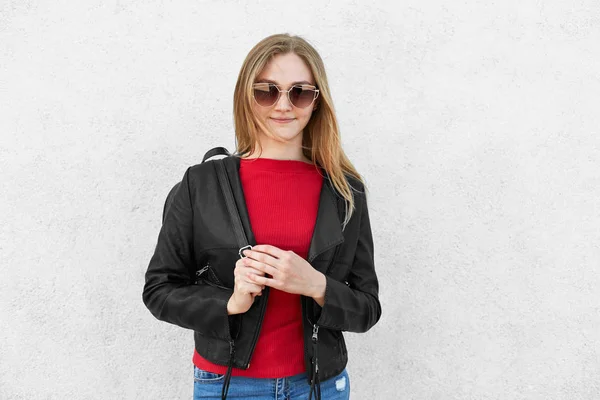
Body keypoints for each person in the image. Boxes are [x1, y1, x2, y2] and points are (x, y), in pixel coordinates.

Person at [143, 33, 382, 400]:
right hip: (226, 385)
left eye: (299, 92)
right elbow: (160, 291)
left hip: (320, 388)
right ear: (247, 96)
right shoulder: (202, 183)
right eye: (267, 90)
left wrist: (317, 285)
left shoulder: (344, 191)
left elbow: (367, 308)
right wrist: (230, 302)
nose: (283, 105)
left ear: (317, 102)